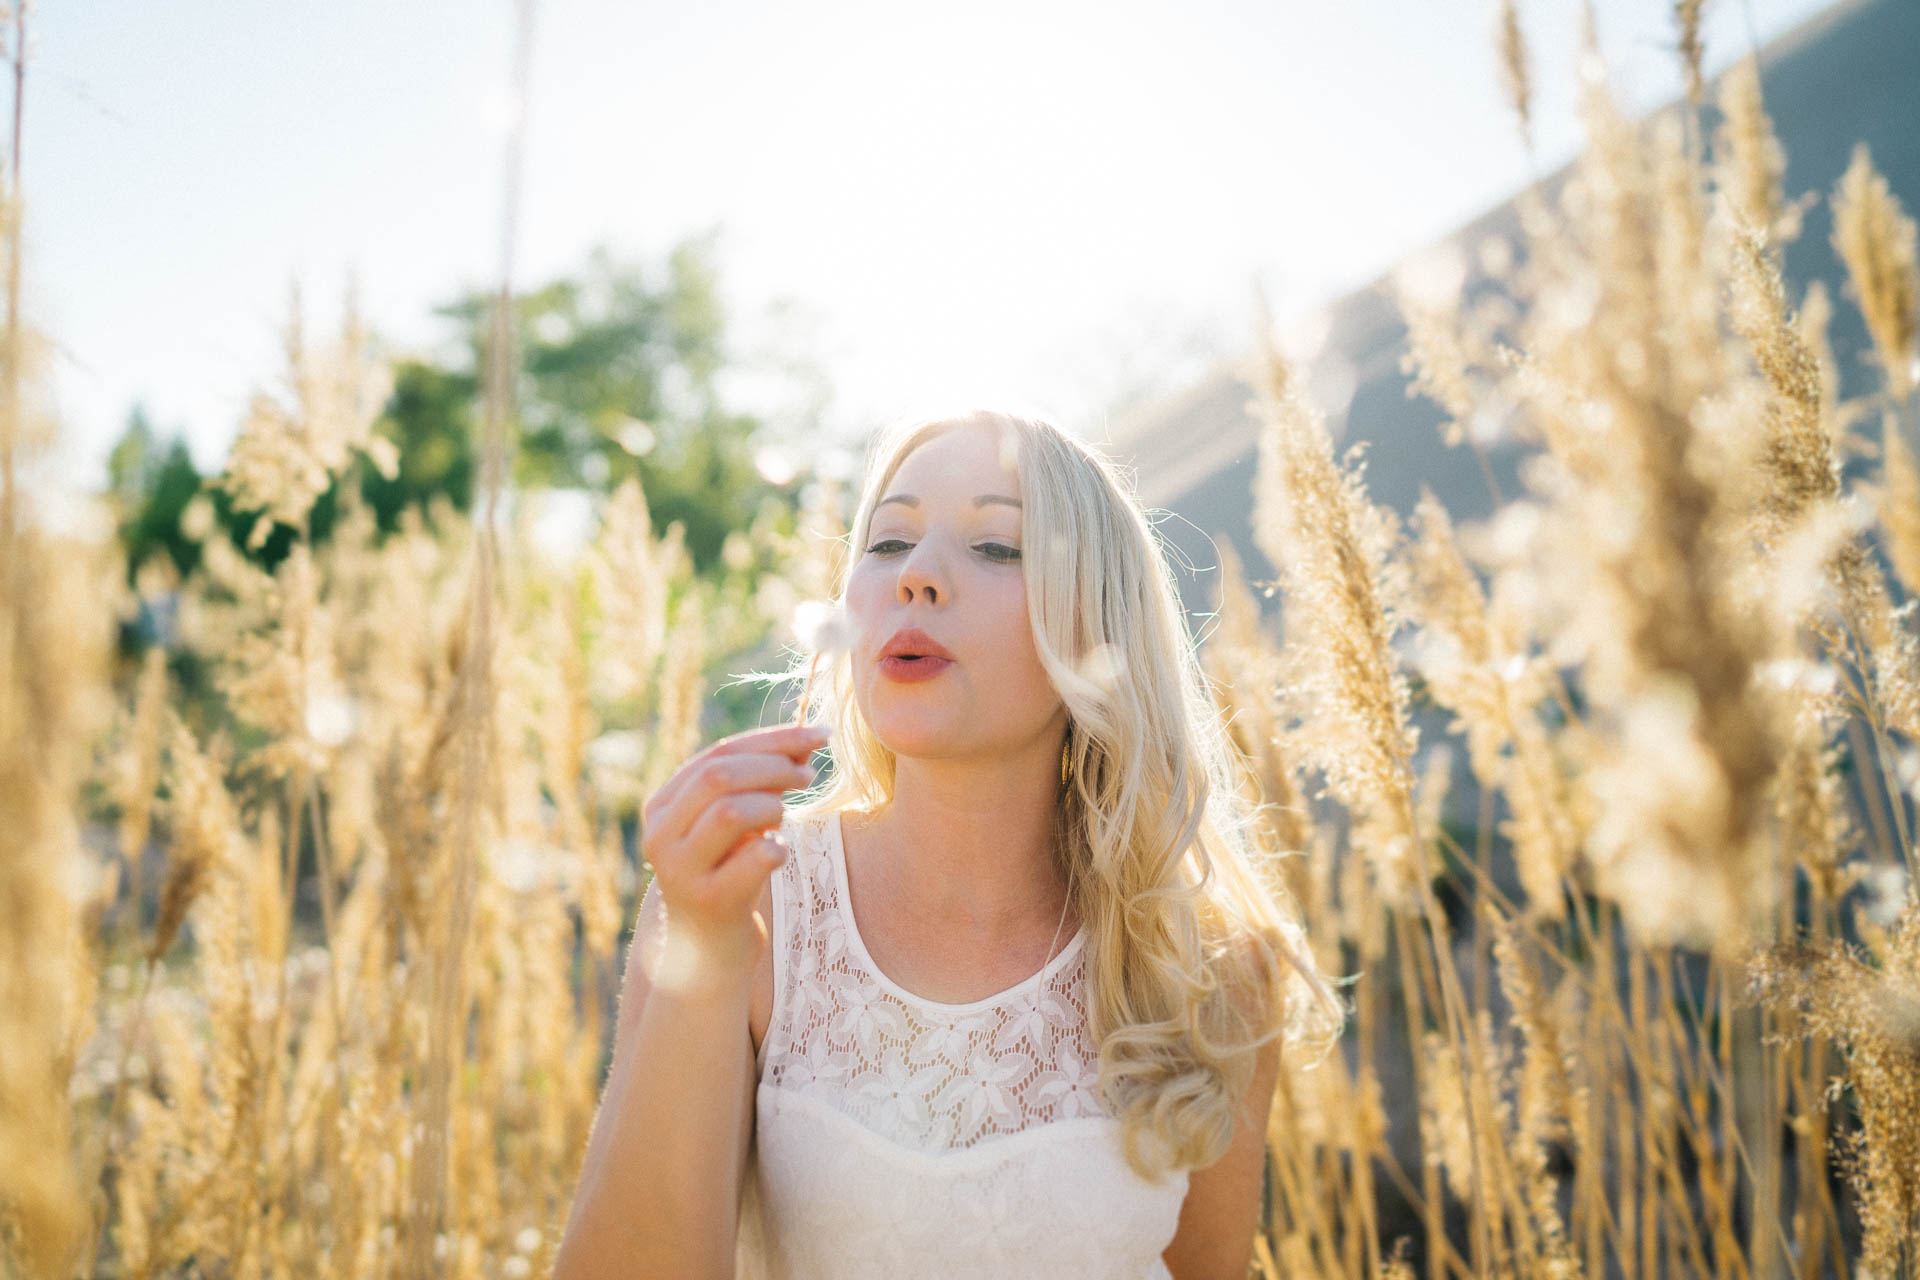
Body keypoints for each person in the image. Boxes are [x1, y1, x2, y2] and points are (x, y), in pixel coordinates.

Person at [554, 407, 1341, 1280]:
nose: (916, 579)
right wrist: (704, 942)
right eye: (887, 543)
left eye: (998, 548)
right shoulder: (745, 903)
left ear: (1099, 637)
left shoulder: (1211, 970)